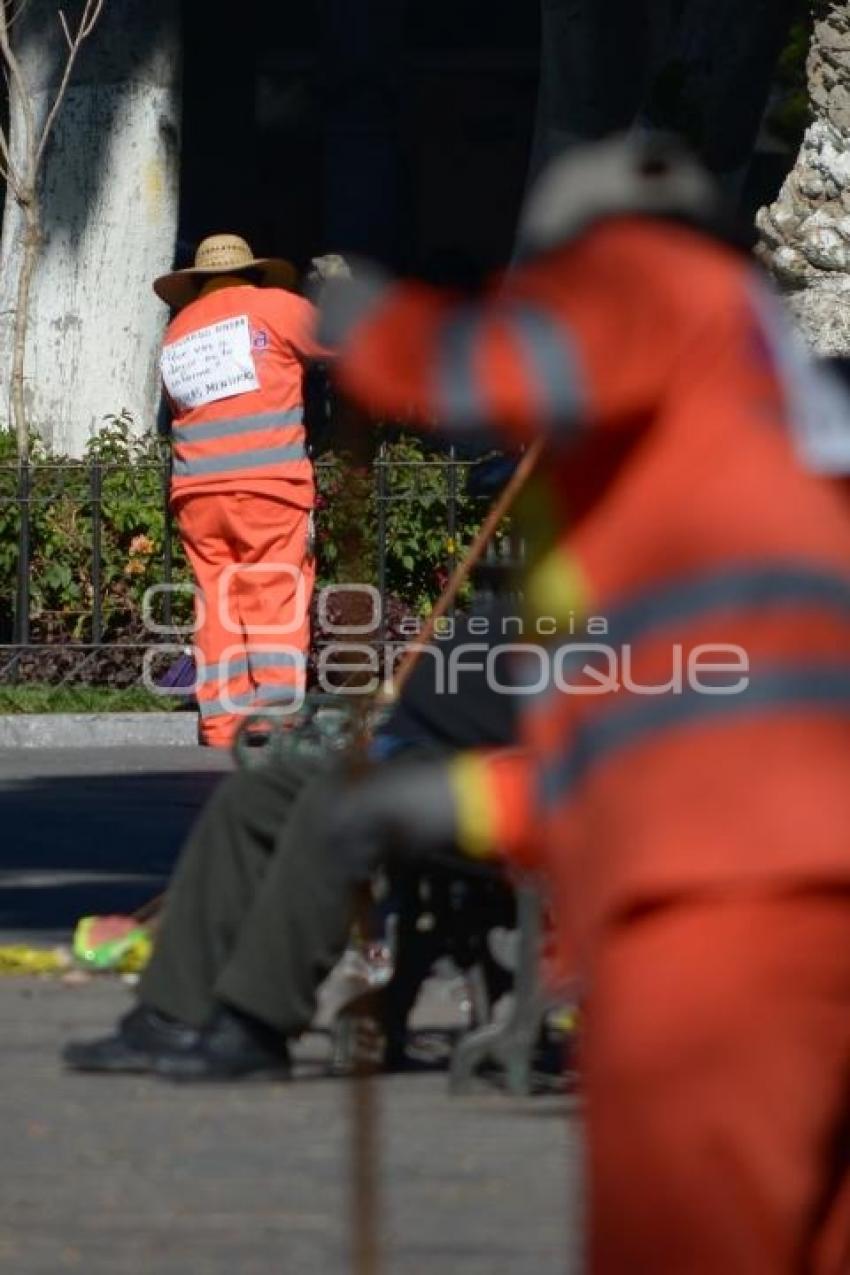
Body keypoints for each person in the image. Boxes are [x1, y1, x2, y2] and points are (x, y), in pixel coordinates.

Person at [317, 135, 850, 1274]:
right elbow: (666, 740)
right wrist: (458, 803)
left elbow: (499, 363)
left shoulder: (658, 281)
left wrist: (383, 332)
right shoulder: (749, 461)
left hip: (722, 926)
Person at [62, 614, 519, 1080]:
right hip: (435, 751)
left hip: (525, 782)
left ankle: (254, 1022)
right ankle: (170, 1014)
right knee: (258, 794)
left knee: (341, 805)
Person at [154, 235, 329, 747]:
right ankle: (274, 718)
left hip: (196, 491)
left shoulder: (178, 331)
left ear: (199, 283)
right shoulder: (276, 307)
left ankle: (222, 721)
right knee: (273, 591)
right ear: (254, 273)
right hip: (267, 483)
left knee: (218, 602)